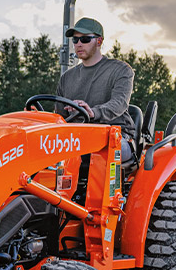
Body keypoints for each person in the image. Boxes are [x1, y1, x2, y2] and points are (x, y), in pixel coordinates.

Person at [55, 17, 136, 162]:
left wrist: (93, 112)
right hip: (76, 138)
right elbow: (60, 117)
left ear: (99, 41)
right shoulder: (67, 78)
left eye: (85, 39)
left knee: (94, 153)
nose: (79, 44)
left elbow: (119, 103)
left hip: (115, 136)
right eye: (75, 40)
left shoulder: (120, 70)